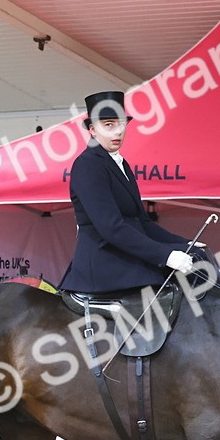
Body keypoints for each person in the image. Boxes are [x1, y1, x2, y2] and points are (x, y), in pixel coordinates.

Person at [58, 91, 197, 293]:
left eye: (121, 124)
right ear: (92, 130)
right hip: (104, 263)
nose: (118, 132)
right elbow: (111, 227)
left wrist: (183, 243)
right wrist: (166, 255)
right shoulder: (88, 165)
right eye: (109, 125)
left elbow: (143, 223)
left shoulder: (121, 164)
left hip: (126, 257)